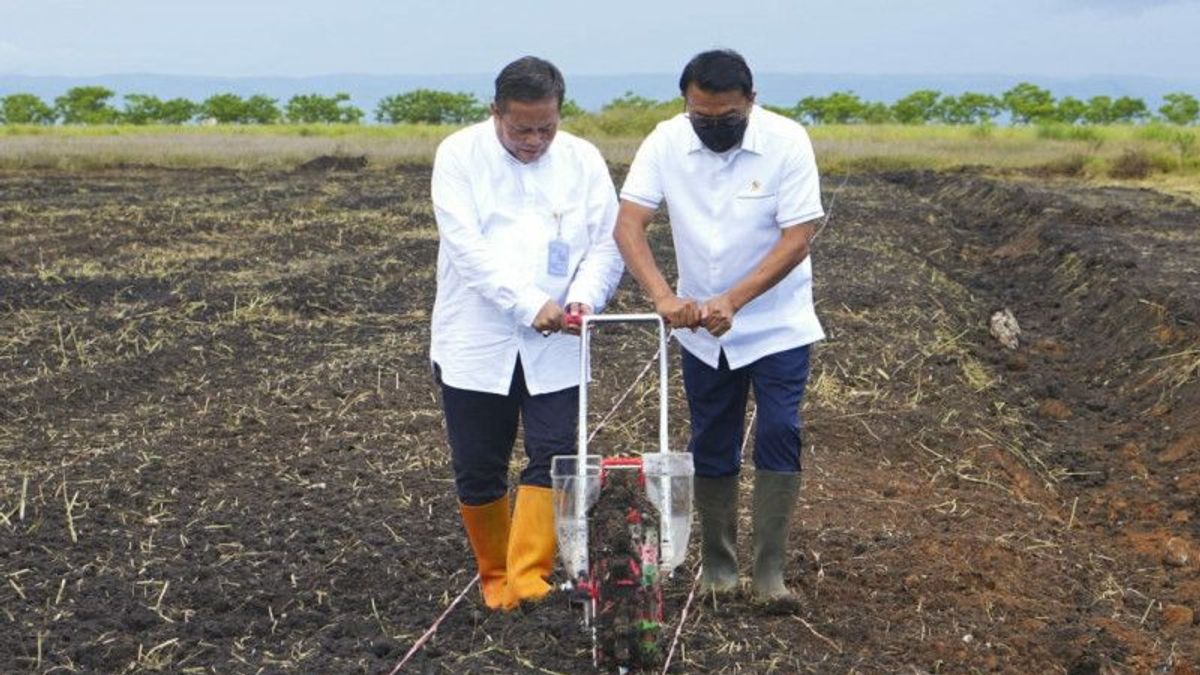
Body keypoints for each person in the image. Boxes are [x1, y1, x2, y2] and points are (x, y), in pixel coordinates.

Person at [613, 49, 824, 605]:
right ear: (686, 105)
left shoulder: (786, 141)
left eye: (726, 118)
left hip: (776, 323)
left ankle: (770, 573)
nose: (712, 128)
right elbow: (630, 223)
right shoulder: (664, 141)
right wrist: (662, 296)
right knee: (712, 437)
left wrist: (734, 299)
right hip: (701, 332)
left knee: (780, 429)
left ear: (751, 102)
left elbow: (798, 237)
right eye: (701, 117)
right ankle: (720, 567)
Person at [429, 56, 624, 610]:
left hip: (559, 339)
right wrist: (527, 303)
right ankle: (495, 579)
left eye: (546, 127)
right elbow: (466, 248)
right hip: (477, 338)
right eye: (522, 128)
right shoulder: (459, 155)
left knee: (557, 452)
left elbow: (607, 243)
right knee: (479, 464)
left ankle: (530, 578)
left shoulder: (583, 159)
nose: (535, 140)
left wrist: (584, 298)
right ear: (496, 112)